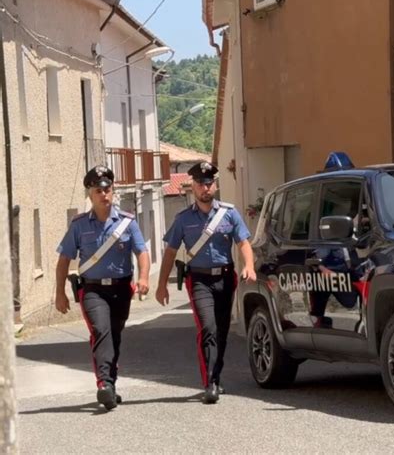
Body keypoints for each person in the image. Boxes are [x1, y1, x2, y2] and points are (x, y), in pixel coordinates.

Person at [155, 161, 256, 404]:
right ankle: (209, 382)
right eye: (200, 183)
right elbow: (170, 251)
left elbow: (243, 243)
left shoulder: (229, 213)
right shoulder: (183, 219)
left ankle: (217, 376)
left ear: (215, 185)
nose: (205, 188)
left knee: (221, 331)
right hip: (198, 278)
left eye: (209, 183)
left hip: (225, 276)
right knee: (208, 328)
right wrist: (161, 285)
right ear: (193, 187)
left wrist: (249, 266)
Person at [55, 165, 150, 411]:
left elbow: (142, 252)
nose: (104, 194)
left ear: (113, 191)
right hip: (93, 290)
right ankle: (104, 384)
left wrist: (144, 278)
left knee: (114, 336)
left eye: (107, 189)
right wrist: (59, 293)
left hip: (121, 289)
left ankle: (111, 385)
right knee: (101, 330)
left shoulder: (127, 223)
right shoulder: (78, 225)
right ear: (90, 195)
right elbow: (64, 260)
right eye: (98, 190)